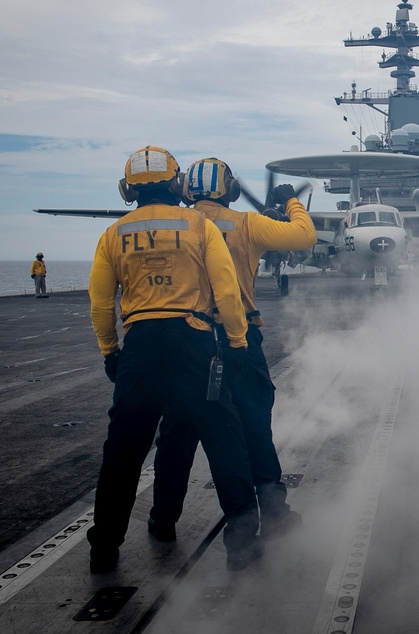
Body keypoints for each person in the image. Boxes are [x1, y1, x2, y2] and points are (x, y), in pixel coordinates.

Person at [86, 146, 260, 574]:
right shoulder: (200, 225)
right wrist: (237, 343)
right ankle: (241, 543)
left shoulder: (114, 235)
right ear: (177, 184)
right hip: (194, 342)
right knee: (223, 436)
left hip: (141, 346)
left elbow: (100, 304)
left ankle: (105, 548)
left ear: (128, 190)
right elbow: (226, 290)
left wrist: (111, 352)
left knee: (124, 450)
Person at [149, 157, 316, 543]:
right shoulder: (245, 224)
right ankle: (274, 514)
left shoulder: (179, 225)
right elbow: (304, 236)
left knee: (178, 430)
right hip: (238, 335)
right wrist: (290, 200)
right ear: (232, 191)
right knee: (254, 424)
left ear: (187, 191)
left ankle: (163, 520)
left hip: (186, 338)